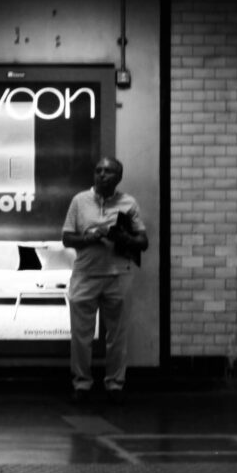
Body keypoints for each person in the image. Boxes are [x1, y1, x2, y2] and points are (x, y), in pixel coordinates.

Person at [61, 155, 144, 401]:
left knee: (117, 335)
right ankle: (82, 385)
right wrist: (88, 238)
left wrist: (123, 238)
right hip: (85, 274)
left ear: (118, 178)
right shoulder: (80, 201)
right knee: (81, 335)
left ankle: (115, 385)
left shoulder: (129, 203)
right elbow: (67, 238)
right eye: (98, 171)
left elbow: (143, 242)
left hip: (118, 276)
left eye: (108, 172)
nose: (102, 175)